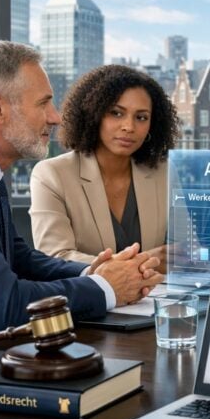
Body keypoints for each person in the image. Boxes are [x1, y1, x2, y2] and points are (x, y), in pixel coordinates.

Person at [0, 41, 163, 336]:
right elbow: (5, 307)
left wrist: (92, 271)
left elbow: (19, 259)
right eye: (43, 103)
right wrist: (106, 287)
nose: (55, 117)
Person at [29, 65, 180, 274]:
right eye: (116, 113)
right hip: (89, 302)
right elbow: (55, 256)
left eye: (141, 117)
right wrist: (142, 262)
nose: (129, 126)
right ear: (94, 114)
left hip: (155, 301)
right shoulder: (51, 175)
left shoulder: (163, 173)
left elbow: (185, 251)